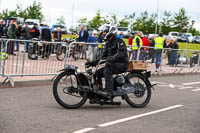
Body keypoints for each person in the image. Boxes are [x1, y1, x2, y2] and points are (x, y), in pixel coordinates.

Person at [85, 23, 129, 98]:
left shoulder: (119, 41)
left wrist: (111, 58)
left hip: (122, 64)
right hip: (112, 64)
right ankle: (99, 90)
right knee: (97, 73)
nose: (103, 33)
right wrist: (92, 63)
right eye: (103, 32)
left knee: (107, 70)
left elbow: (121, 53)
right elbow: (103, 57)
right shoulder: (108, 43)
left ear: (110, 31)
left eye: (104, 32)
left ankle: (108, 92)